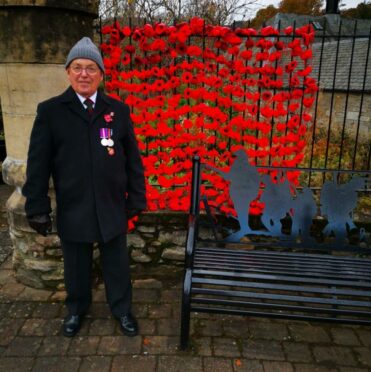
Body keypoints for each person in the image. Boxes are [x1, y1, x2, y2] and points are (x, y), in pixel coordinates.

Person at [22, 37, 146, 337]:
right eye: (77, 67)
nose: (84, 74)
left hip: (110, 202)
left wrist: (136, 197)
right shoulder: (51, 112)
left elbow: (132, 159)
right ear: (68, 72)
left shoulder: (117, 110)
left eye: (91, 68)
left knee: (116, 263)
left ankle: (122, 309)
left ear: (101, 74)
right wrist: (36, 206)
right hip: (73, 204)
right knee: (76, 265)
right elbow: (38, 164)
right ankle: (76, 309)